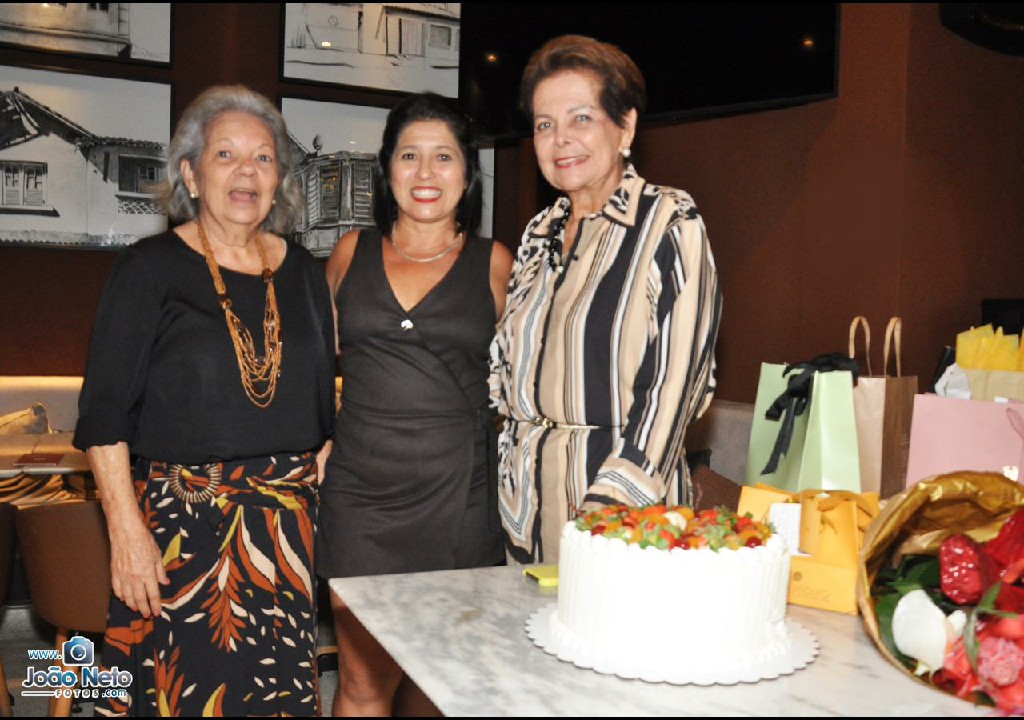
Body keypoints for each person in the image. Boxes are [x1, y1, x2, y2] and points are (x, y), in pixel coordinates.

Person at [73, 85, 336, 716]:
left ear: (279, 180)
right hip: (182, 530)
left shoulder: (305, 272)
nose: (247, 171)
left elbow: (322, 398)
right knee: (188, 694)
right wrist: (126, 532)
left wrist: (320, 463)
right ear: (190, 175)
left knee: (274, 696)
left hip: (283, 535)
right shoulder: (148, 268)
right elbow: (104, 415)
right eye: (226, 154)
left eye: (263, 158)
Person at [490, 35, 723, 564]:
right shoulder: (538, 234)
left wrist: (609, 512)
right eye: (544, 125)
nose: (560, 139)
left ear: (626, 127)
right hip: (525, 521)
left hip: (625, 526)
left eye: (581, 118)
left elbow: (672, 392)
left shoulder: (669, 223)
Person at [316, 92, 513, 716]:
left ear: (468, 172)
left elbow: (525, 382)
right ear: (387, 169)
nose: (426, 173)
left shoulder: (496, 263)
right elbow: (311, 365)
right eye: (409, 156)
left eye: (444, 157)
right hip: (360, 499)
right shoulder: (349, 253)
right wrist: (317, 439)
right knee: (362, 684)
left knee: (437, 683)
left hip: (460, 496)